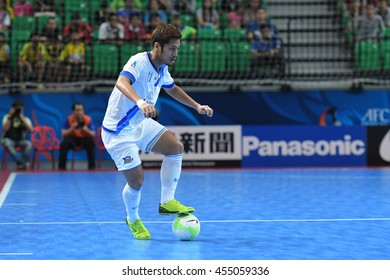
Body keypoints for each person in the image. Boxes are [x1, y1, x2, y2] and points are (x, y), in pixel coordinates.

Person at [101, 23, 213, 240]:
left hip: (140, 124)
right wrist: (141, 102)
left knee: (175, 147)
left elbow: (172, 89)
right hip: (119, 132)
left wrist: (197, 106)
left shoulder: (163, 69)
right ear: (157, 47)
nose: (176, 53)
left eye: (178, 49)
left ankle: (167, 201)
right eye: (172, 48)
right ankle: (132, 219)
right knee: (137, 181)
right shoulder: (139, 62)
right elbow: (121, 82)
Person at [59, 103, 96, 170]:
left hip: (84, 139)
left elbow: (93, 134)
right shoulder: (69, 119)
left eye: (81, 110)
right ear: (73, 111)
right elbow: (63, 133)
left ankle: (92, 167)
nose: (79, 112)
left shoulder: (88, 119)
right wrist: (72, 129)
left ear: (83, 111)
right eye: (77, 110)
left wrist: (86, 130)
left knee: (91, 143)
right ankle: (62, 167)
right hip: (72, 139)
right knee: (64, 144)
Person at [1, 100, 33, 170]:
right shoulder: (7, 117)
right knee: (7, 143)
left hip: (21, 140)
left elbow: (31, 130)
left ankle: (20, 163)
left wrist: (22, 119)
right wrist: (10, 117)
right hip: (9, 139)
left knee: (29, 144)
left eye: (19, 109)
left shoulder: (25, 118)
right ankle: (22, 163)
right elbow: (5, 129)